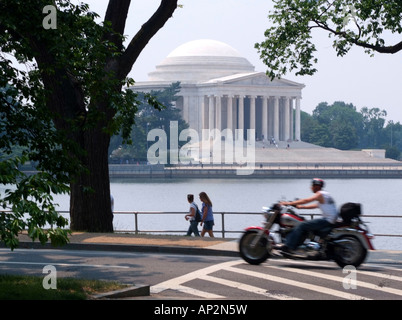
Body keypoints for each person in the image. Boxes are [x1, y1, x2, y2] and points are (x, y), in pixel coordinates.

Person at [279, 178, 338, 253]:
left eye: (312, 185)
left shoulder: (320, 194)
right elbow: (315, 205)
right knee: (305, 224)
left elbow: (306, 200)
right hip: (330, 219)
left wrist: (288, 203)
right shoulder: (325, 194)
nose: (311, 187)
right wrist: (300, 207)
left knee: (301, 225)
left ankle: (289, 247)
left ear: (316, 186)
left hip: (327, 220)